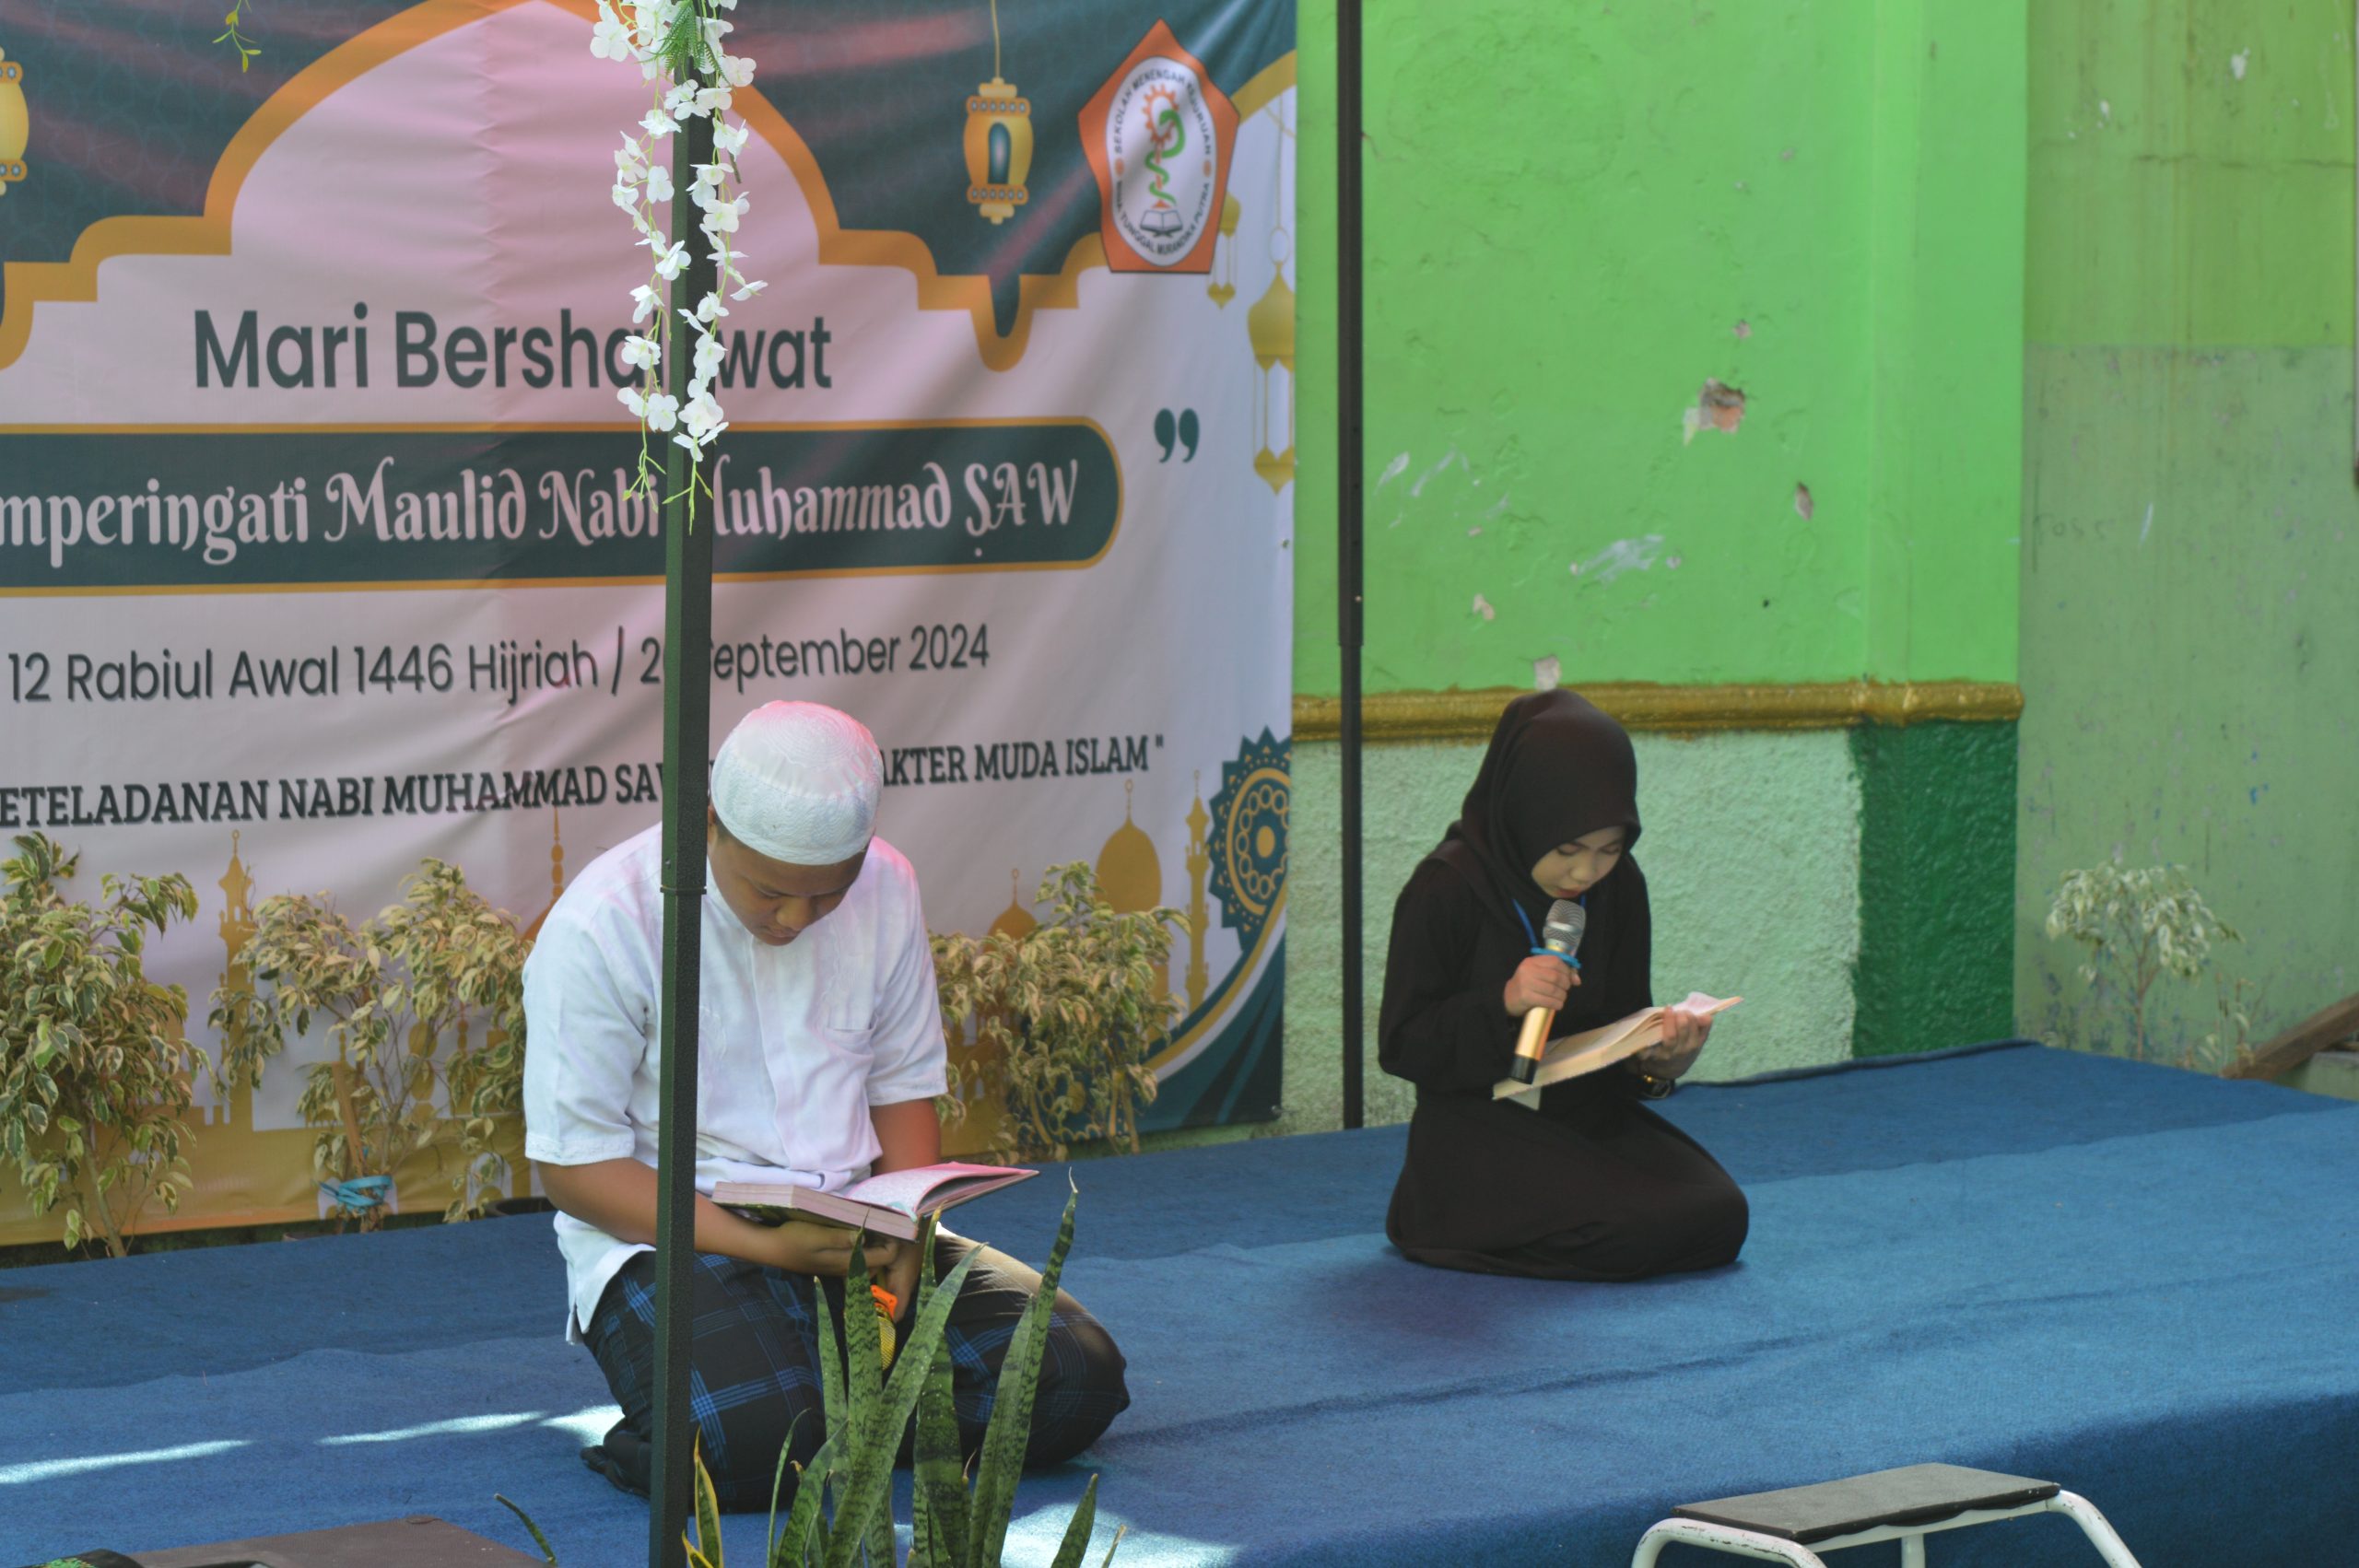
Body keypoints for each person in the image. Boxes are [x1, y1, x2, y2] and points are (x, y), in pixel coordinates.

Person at [522, 700, 1128, 1510]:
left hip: (858, 1227)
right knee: (754, 1448)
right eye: (770, 891)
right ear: (710, 825)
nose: (797, 919)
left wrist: (909, 1234)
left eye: (828, 895)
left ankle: (813, 1414)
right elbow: (574, 1168)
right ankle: (765, 1422)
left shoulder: (888, 883)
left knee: (1075, 1378)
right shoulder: (606, 922)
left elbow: (902, 1088)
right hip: (672, 1235)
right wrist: (767, 1247)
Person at [1377, 687, 1749, 1280]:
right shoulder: (1444, 887)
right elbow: (1402, 1045)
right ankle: (1445, 1218)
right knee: (1637, 1228)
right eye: (1568, 848)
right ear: (1524, 816)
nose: (1584, 872)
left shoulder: (1618, 886)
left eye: (1609, 849)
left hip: (1582, 1115)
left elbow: (1620, 1027)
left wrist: (1659, 1065)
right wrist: (1504, 1001)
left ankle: (1528, 1222)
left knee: (1721, 1213)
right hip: (1481, 1124)